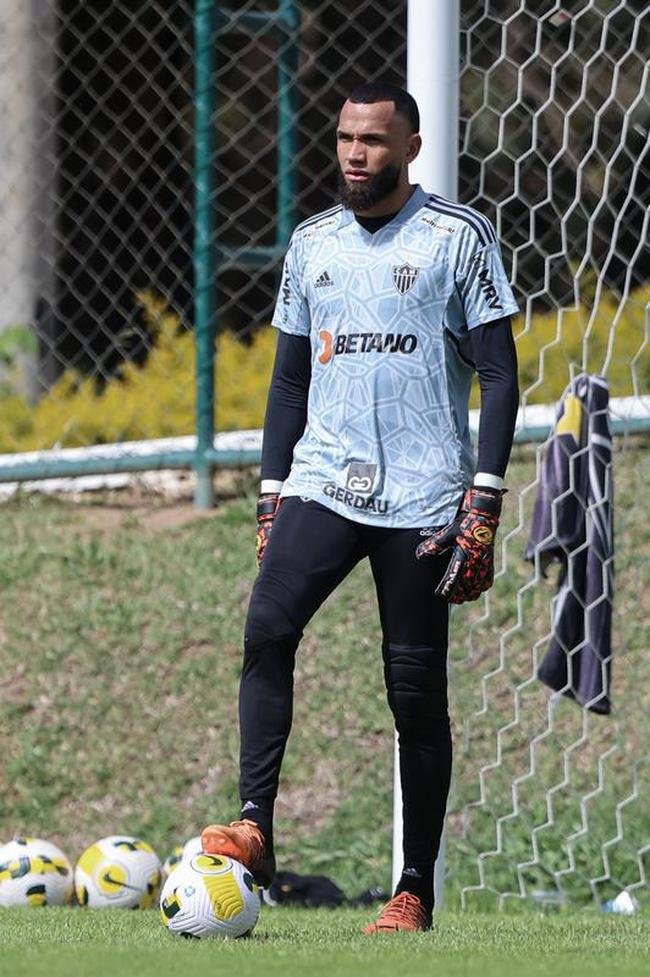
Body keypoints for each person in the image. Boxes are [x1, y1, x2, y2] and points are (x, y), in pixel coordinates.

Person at [201, 82, 519, 933]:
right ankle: (255, 826)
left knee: (413, 691)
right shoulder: (312, 244)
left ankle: (413, 888)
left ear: (409, 148)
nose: (354, 152)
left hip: (423, 492)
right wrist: (271, 492)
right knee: (268, 627)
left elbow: (499, 374)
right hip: (324, 482)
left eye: (373, 140)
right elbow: (289, 381)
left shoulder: (458, 236)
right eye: (345, 137)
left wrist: (484, 499)